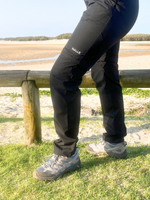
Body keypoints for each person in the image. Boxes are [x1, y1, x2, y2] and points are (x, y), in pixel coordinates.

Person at [33, 0, 139, 181]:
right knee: (103, 71)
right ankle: (114, 141)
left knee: (62, 74)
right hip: (120, 8)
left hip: (108, 6)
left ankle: (66, 152)